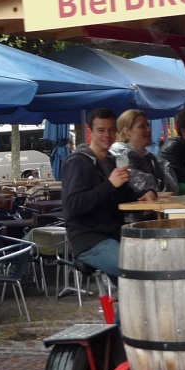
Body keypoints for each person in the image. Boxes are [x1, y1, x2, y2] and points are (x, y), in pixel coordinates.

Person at [60, 107, 138, 281]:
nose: (107, 135)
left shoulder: (112, 161)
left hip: (114, 236)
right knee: (137, 269)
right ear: (90, 132)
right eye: (101, 130)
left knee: (146, 268)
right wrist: (110, 184)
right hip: (90, 241)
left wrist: (145, 195)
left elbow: (124, 197)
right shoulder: (77, 163)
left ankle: (125, 308)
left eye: (111, 130)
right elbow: (73, 205)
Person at [110, 109, 175, 203]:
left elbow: (168, 187)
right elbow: (134, 187)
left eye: (148, 125)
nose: (148, 130)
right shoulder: (119, 154)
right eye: (142, 127)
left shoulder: (151, 158)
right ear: (127, 131)